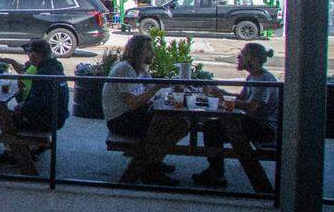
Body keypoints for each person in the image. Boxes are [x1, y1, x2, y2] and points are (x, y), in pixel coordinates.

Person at [102, 34, 186, 186]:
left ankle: (154, 161)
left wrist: (172, 87)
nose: (152, 53)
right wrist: (156, 88)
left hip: (133, 115)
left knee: (179, 122)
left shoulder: (139, 69)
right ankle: (150, 167)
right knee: (175, 125)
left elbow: (152, 88)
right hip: (121, 120)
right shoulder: (125, 69)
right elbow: (133, 103)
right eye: (148, 49)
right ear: (137, 51)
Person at [192, 43, 279, 188]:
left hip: (265, 128)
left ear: (254, 59)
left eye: (243, 54)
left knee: (219, 126)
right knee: (212, 127)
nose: (239, 57)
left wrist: (224, 98)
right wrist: (222, 93)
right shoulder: (253, 77)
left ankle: (217, 173)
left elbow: (253, 107)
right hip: (256, 123)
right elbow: (242, 99)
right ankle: (216, 172)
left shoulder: (265, 80)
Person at [0, 39, 68, 165]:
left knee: (5, 118)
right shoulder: (54, 68)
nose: (28, 56)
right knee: (14, 113)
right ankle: (29, 149)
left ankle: (16, 155)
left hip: (48, 120)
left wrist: (21, 108)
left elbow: (36, 104)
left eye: (30, 53)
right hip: (58, 117)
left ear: (36, 55)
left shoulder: (43, 74)